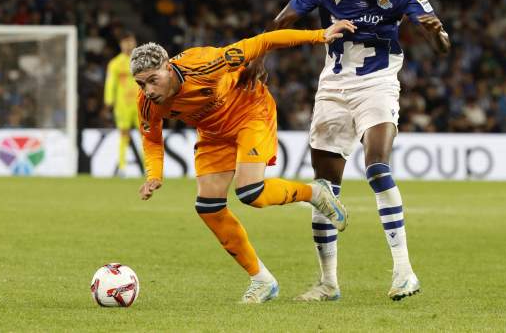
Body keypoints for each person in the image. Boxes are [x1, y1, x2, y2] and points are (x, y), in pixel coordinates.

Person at [241, 0, 450, 301]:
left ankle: (404, 272)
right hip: (334, 86)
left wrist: (436, 35)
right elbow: (285, 18)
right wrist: (260, 54)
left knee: (378, 169)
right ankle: (328, 283)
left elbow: (442, 45)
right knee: (324, 188)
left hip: (378, 84)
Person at [132, 21, 352, 303]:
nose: (148, 90)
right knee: (208, 207)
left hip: (250, 112)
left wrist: (318, 35)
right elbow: (151, 140)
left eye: (153, 80)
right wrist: (154, 175)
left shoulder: (205, 64)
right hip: (213, 133)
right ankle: (262, 280)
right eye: (141, 84)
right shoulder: (147, 102)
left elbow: (262, 42)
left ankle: (315, 193)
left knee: (251, 192)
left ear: (167, 66)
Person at [104, 31, 138, 177]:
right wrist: (109, 100)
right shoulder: (115, 63)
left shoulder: (143, 61)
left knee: (148, 135)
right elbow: (110, 82)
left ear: (135, 43)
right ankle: (123, 167)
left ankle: (151, 168)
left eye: (130, 41)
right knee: (124, 134)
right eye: (125, 42)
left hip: (141, 103)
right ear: (121, 45)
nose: (128, 45)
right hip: (123, 104)